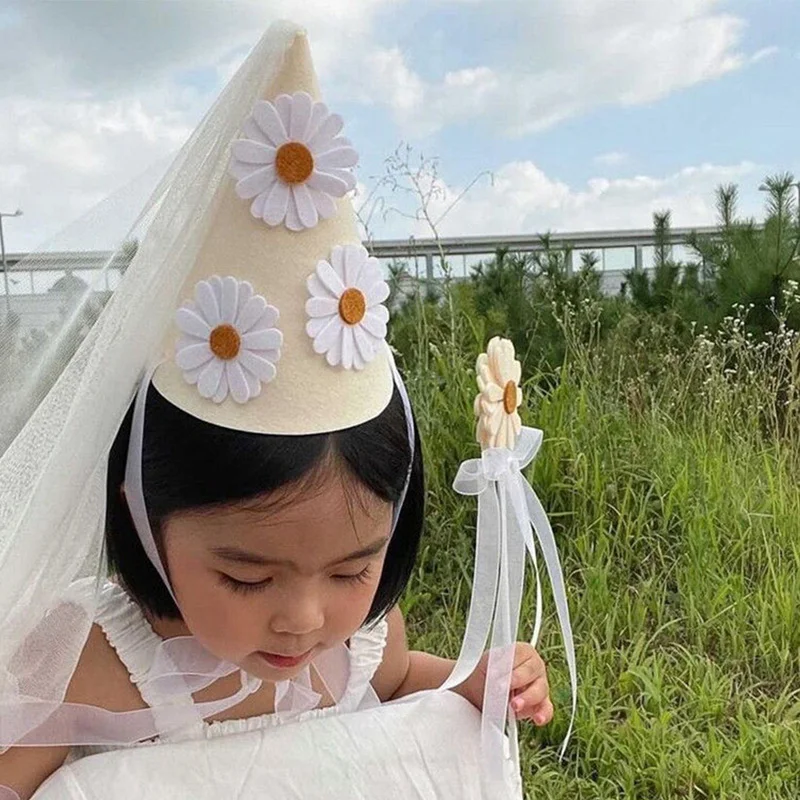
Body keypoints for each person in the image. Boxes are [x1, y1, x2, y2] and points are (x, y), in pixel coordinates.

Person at [0, 20, 574, 800]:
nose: (303, 620)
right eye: (244, 577)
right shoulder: (90, 661)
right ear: (140, 511)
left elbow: (404, 682)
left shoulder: (362, 640)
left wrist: (474, 682)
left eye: (351, 568)